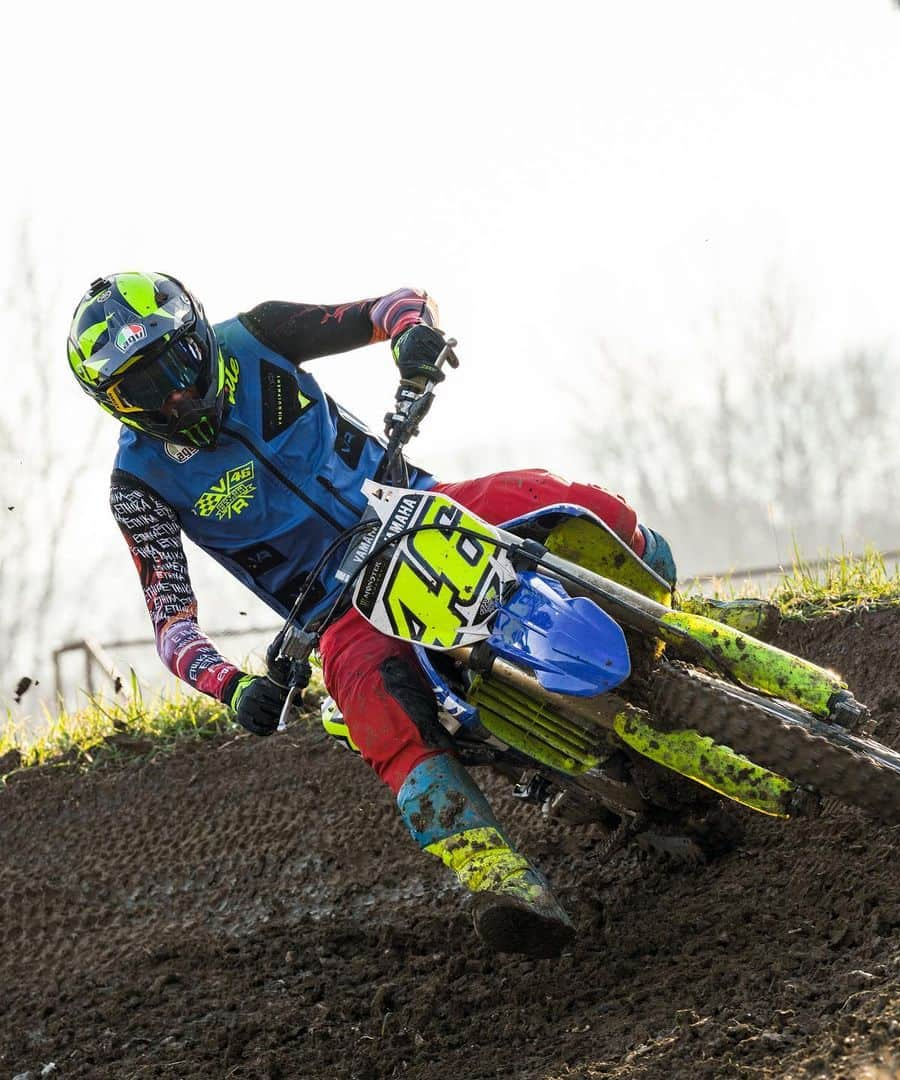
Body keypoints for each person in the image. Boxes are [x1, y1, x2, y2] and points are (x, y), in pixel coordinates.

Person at [66, 272, 677, 958]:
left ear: (200, 335)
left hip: (420, 510)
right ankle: (502, 881)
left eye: (176, 364)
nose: (174, 393)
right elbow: (173, 626)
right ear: (114, 405)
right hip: (337, 610)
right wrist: (230, 686)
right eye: (144, 390)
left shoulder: (260, 335)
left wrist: (413, 339)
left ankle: (684, 622)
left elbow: (390, 306)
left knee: (574, 501)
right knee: (381, 720)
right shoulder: (137, 484)